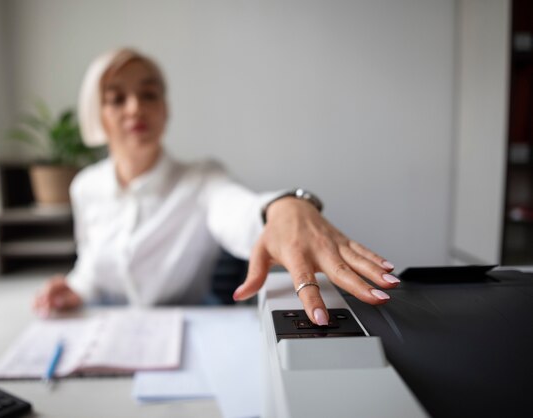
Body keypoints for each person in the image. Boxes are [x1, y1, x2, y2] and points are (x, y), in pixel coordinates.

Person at [33, 48, 400, 326]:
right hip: (101, 333)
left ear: (165, 108)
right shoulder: (85, 187)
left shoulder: (202, 180)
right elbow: (89, 268)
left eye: (149, 94)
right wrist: (74, 288)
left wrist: (284, 206)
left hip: (186, 339)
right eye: (116, 99)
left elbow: (239, 212)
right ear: (97, 115)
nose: (135, 109)